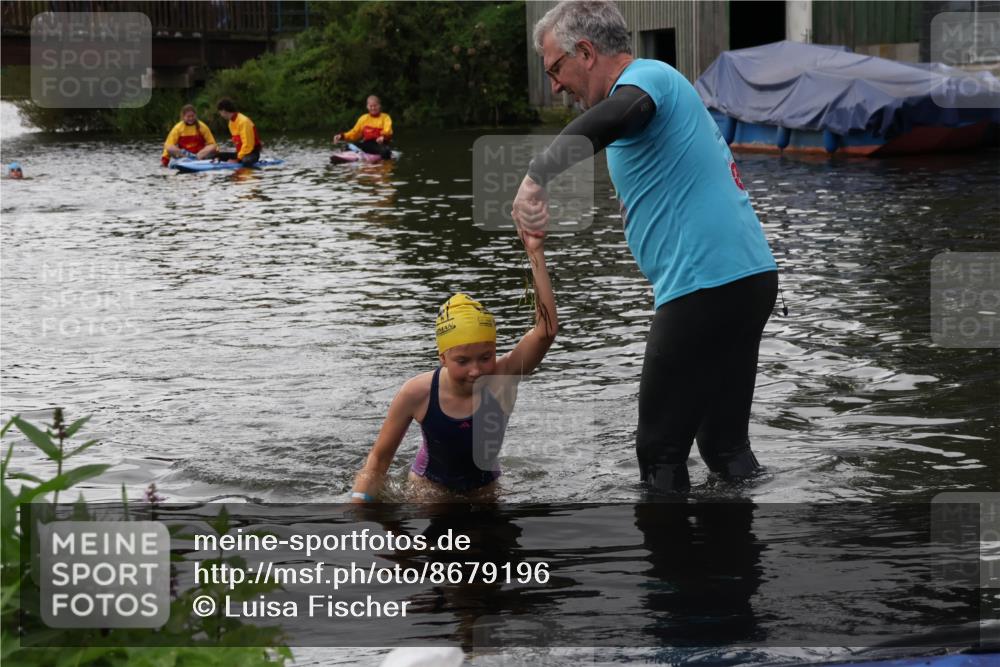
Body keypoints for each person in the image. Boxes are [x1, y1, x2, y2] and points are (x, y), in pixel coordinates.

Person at [512, 1, 779, 495]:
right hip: (746, 279)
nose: (554, 85)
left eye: (555, 69)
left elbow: (623, 111)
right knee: (724, 448)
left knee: (659, 454)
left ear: (586, 52)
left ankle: (667, 573)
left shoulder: (647, 78)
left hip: (704, 287)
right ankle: (737, 568)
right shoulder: (651, 95)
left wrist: (537, 177)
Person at [351, 232, 557, 502]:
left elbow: (546, 332)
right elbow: (379, 458)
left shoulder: (502, 378)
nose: (476, 370)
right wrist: (358, 503)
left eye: (486, 357)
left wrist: (535, 252)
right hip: (429, 493)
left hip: (485, 492)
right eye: (463, 361)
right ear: (443, 358)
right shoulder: (417, 392)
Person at [333, 95, 393, 159]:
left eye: (375, 106)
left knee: (385, 151)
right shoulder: (363, 118)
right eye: (371, 106)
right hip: (367, 145)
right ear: (367, 106)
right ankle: (356, 155)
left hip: (380, 145)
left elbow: (388, 130)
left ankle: (384, 164)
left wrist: (383, 136)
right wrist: (341, 136)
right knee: (348, 146)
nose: (373, 108)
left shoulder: (385, 117)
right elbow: (354, 133)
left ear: (379, 106)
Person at [212, 98, 262, 166]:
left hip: (251, 153)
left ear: (224, 111)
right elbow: (237, 143)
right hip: (241, 153)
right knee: (217, 155)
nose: (221, 115)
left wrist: (237, 159)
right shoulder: (231, 123)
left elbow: (248, 145)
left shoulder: (244, 121)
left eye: (220, 112)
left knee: (245, 161)